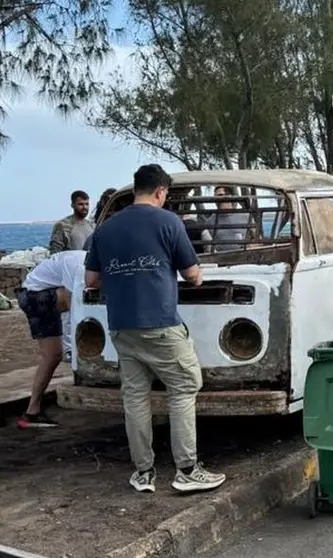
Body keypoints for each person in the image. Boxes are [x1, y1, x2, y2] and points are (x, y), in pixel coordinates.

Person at [85, 164, 226, 494]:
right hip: (160, 323)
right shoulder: (168, 222)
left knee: (134, 396)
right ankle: (187, 470)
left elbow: (91, 280)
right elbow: (193, 274)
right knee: (184, 385)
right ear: (161, 192)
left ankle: (143, 472)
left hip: (121, 326)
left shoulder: (105, 229)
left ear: (136, 189)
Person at [14, 250, 86, 428]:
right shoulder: (77, 266)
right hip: (35, 295)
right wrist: (73, 350)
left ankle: (32, 411)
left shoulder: (83, 260)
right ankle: (31, 412)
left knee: (52, 355)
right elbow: (72, 310)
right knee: (53, 354)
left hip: (38, 293)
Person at [201, 186, 250, 252]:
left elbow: (257, 239)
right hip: (221, 259)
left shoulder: (246, 216)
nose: (217, 199)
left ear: (229, 196)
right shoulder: (210, 221)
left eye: (220, 195)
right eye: (215, 197)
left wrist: (249, 246)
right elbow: (208, 247)